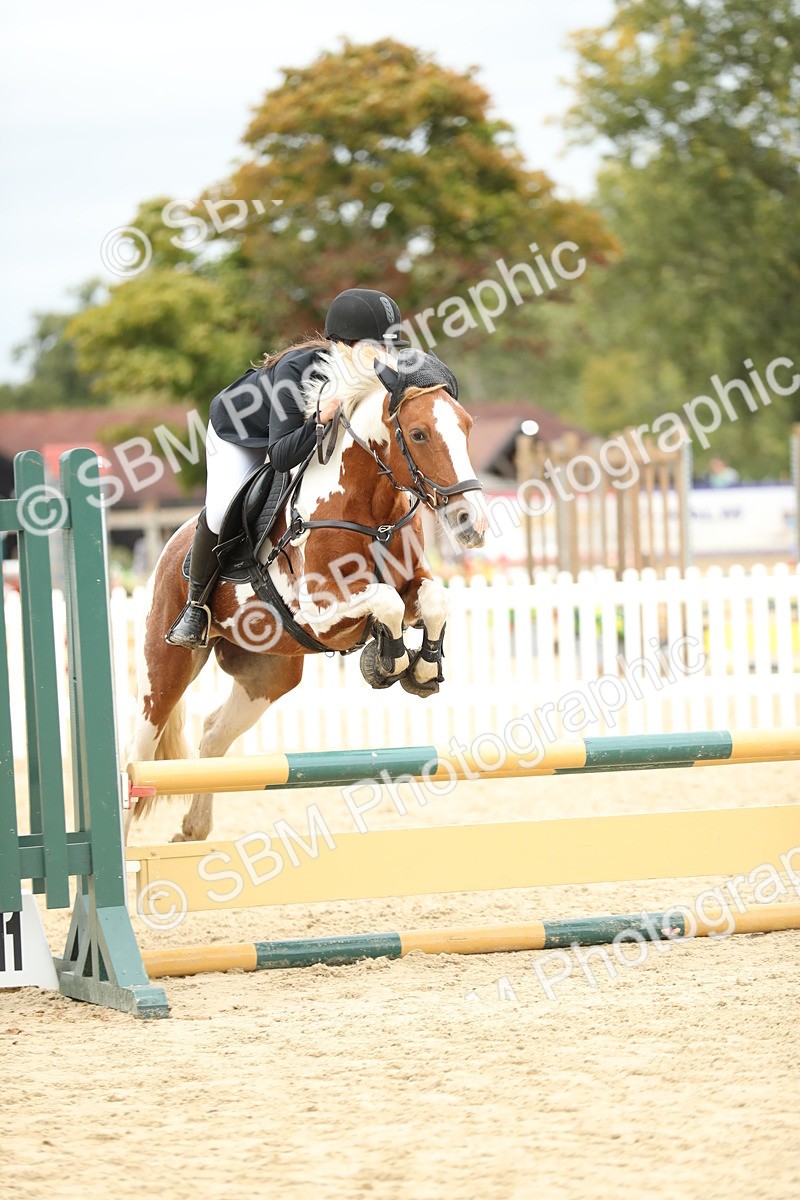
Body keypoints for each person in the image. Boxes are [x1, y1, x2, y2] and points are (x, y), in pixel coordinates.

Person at [166, 288, 408, 649]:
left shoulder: (370, 378)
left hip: (298, 434)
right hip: (240, 432)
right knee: (220, 510)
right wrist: (321, 419)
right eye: (376, 346)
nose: (385, 356)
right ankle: (195, 606)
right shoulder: (297, 371)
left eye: (390, 346)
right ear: (345, 344)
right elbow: (280, 456)